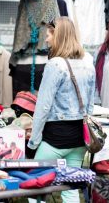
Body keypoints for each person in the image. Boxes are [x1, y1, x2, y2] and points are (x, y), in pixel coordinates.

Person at [28, 17, 95, 203]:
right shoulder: (88, 63)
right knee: (70, 188)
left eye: (50, 34)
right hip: (80, 138)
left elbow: (43, 107)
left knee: (34, 186)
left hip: (55, 138)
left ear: (60, 36)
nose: (47, 39)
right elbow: (90, 105)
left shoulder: (55, 65)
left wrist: (33, 142)